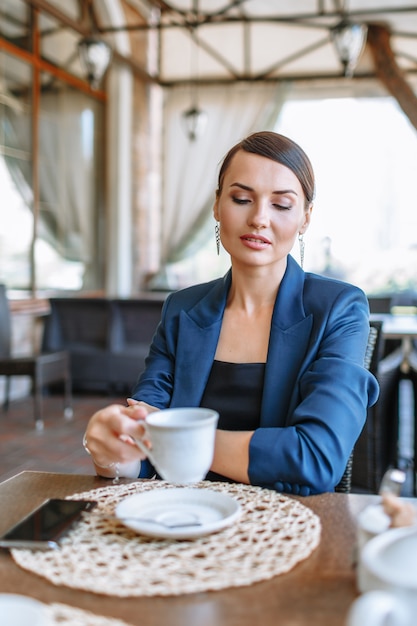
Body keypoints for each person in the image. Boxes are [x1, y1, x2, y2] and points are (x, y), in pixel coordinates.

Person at [84, 131, 379, 495]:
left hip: (287, 524)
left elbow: (316, 458)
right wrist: (112, 449)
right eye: (241, 198)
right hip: (182, 515)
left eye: (282, 205)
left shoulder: (340, 308)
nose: (258, 218)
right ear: (217, 205)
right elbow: (142, 449)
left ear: (305, 218)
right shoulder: (181, 309)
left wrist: (175, 437)